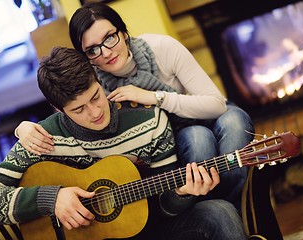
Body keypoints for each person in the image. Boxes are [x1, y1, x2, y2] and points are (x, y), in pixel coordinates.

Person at [0, 47, 247, 239]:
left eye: (95, 97)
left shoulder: (150, 121)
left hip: (153, 229)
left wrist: (182, 194)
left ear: (98, 79)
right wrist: (52, 199)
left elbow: (163, 209)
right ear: (57, 109)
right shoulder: (41, 139)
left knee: (219, 212)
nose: (95, 113)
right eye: (78, 109)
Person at [14, 2, 254, 211]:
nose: (106, 52)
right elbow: (65, 112)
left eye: (110, 37)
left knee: (235, 121)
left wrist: (155, 97)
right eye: (92, 49)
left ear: (124, 32)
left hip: (204, 111)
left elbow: (216, 105)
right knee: (199, 138)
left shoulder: (162, 49)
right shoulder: (93, 86)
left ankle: (238, 206)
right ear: (84, 56)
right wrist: (22, 128)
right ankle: (214, 211)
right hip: (175, 135)